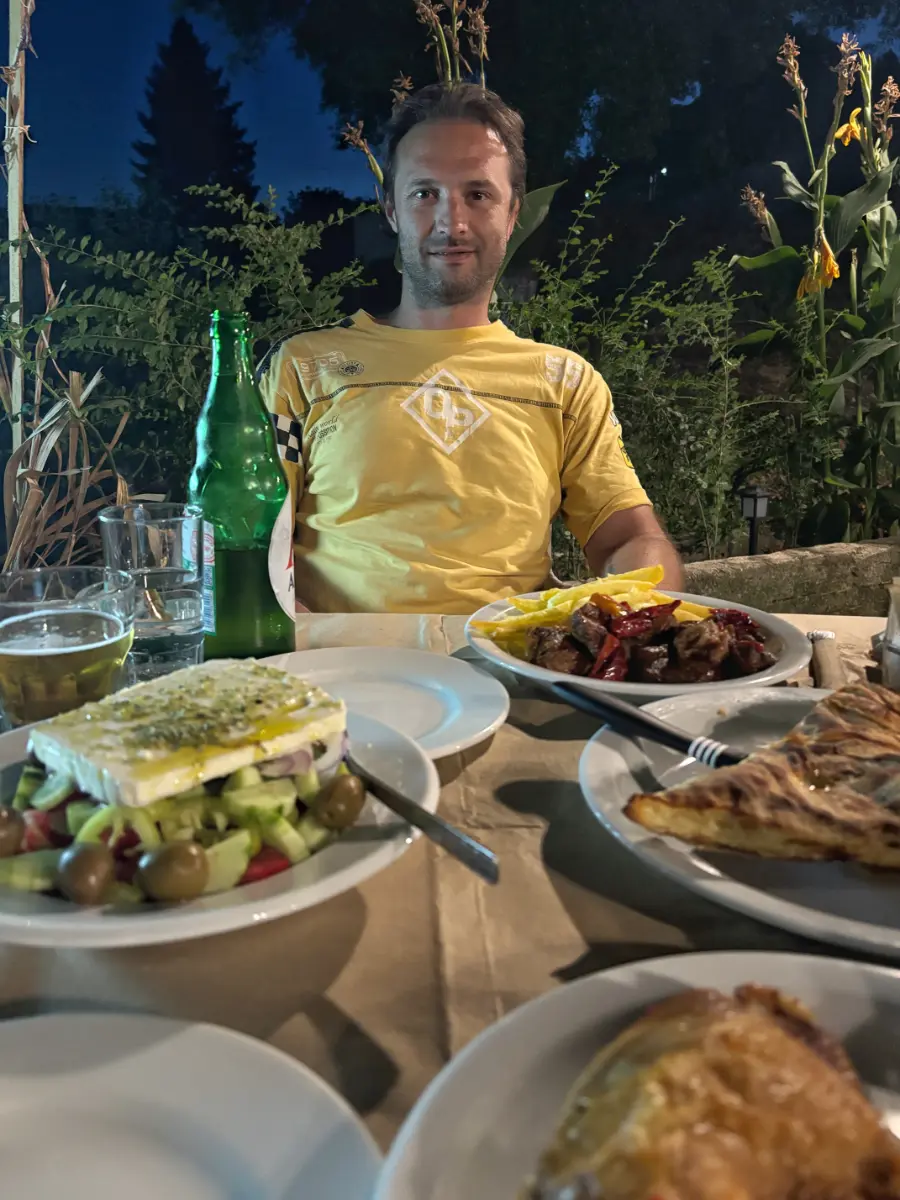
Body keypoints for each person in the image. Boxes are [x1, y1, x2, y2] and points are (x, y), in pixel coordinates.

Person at [259, 83, 683, 615]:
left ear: (512, 216)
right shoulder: (303, 369)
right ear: (390, 209)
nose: (451, 223)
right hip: (347, 676)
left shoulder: (564, 383)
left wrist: (636, 599)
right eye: (424, 193)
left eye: (477, 194)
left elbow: (628, 538)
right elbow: (247, 538)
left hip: (512, 670)